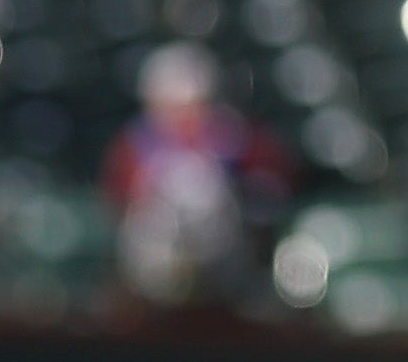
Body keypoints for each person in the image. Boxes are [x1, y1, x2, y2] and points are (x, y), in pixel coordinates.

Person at [103, 44, 278, 307]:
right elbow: (117, 202)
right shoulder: (133, 146)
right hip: (154, 277)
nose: (186, 116)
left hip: (223, 276)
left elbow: (269, 193)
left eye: (195, 105)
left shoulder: (237, 140)